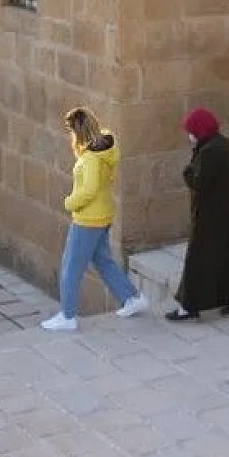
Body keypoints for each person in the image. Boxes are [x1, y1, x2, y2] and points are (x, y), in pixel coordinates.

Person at [40, 106, 150, 332]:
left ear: (77, 131)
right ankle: (132, 298)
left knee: (70, 266)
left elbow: (89, 189)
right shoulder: (106, 148)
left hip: (88, 219)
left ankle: (67, 315)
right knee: (103, 260)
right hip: (103, 214)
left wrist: (70, 202)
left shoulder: (90, 158)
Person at [167, 108, 229, 321]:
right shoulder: (225, 144)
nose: (189, 136)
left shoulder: (208, 152)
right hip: (227, 209)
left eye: (191, 132)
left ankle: (190, 305)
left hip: (208, 213)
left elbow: (199, 182)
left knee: (198, 258)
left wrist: (187, 172)